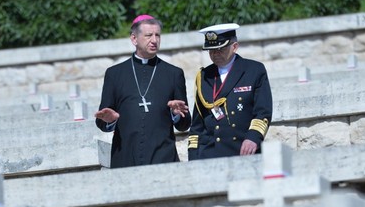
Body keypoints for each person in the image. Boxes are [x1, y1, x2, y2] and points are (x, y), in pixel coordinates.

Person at [95, 15, 190, 168]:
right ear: (134, 39)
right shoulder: (114, 74)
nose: (154, 40)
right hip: (125, 158)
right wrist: (110, 120)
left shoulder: (174, 74)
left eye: (157, 35)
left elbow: (185, 125)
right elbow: (101, 120)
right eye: (148, 35)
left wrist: (177, 115)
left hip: (164, 159)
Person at [187, 23, 272, 160]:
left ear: (234, 47)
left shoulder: (254, 70)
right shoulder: (203, 76)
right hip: (209, 153)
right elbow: (197, 125)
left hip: (242, 150)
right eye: (211, 50)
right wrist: (193, 156)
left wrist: (253, 138)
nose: (215, 54)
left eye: (220, 49)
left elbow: (263, 111)